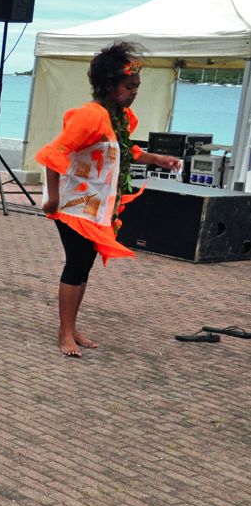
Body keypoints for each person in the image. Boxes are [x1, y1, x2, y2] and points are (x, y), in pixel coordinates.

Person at [36, 42, 181, 358]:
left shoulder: (120, 118)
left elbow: (128, 151)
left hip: (95, 206)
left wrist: (158, 159)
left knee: (84, 264)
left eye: (137, 87)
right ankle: (64, 333)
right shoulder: (90, 117)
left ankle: (72, 327)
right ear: (108, 85)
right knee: (76, 263)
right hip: (72, 204)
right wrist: (53, 198)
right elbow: (53, 154)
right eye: (129, 86)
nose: (135, 92)